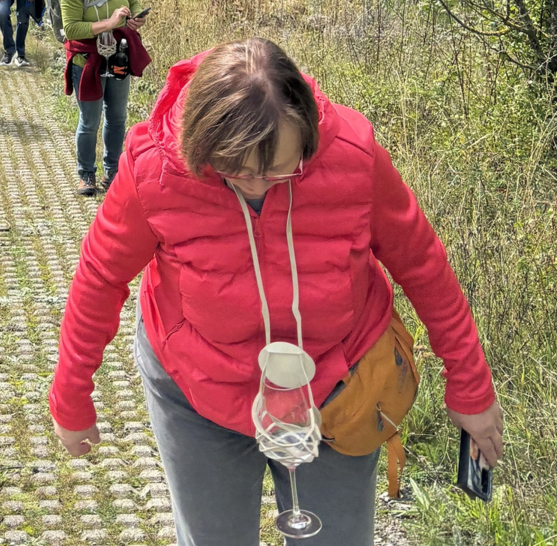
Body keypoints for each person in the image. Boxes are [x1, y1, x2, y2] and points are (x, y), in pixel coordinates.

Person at [49, 38, 503, 546]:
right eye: (236, 173)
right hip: (198, 388)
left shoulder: (353, 156)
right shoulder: (154, 167)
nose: (258, 187)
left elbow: (423, 265)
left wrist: (470, 386)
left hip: (335, 385)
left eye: (281, 171)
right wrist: (71, 395)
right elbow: (101, 276)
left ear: (307, 135)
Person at [62, 0, 150, 197]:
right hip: (87, 60)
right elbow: (71, 29)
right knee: (89, 121)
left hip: (118, 54)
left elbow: (133, 2)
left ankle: (112, 171)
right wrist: (109, 23)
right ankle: (86, 174)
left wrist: (136, 16)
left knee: (117, 117)